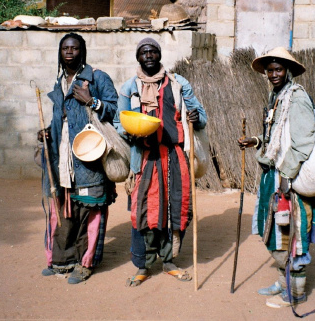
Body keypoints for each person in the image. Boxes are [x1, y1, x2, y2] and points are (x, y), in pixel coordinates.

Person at [114, 37, 207, 287]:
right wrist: (130, 133)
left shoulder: (178, 83)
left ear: (159, 54)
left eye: (153, 51)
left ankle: (169, 261)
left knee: (174, 207)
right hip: (143, 158)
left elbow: (202, 118)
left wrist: (195, 117)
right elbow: (117, 123)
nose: (149, 56)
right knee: (144, 211)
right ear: (138, 57)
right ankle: (143, 265)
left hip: (175, 156)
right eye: (144, 52)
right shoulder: (129, 87)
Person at [237, 47, 315, 308]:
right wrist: (256, 140)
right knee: (274, 230)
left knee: (292, 232)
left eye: (278, 69)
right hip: (273, 176)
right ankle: (284, 281)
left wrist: (286, 174)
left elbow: (304, 141)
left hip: (289, 179)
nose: (273, 74)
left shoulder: (297, 98)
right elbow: (276, 138)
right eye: (270, 70)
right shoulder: (276, 97)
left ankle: (296, 291)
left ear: (288, 71)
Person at [38, 32, 118, 284]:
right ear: (60, 53)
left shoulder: (97, 78)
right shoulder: (59, 83)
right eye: (65, 48)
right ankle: (62, 260)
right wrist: (47, 131)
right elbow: (60, 120)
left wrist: (93, 101)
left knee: (89, 211)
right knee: (62, 208)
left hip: (89, 158)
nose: (69, 52)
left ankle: (85, 263)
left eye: (74, 48)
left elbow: (115, 110)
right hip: (62, 157)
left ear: (82, 52)